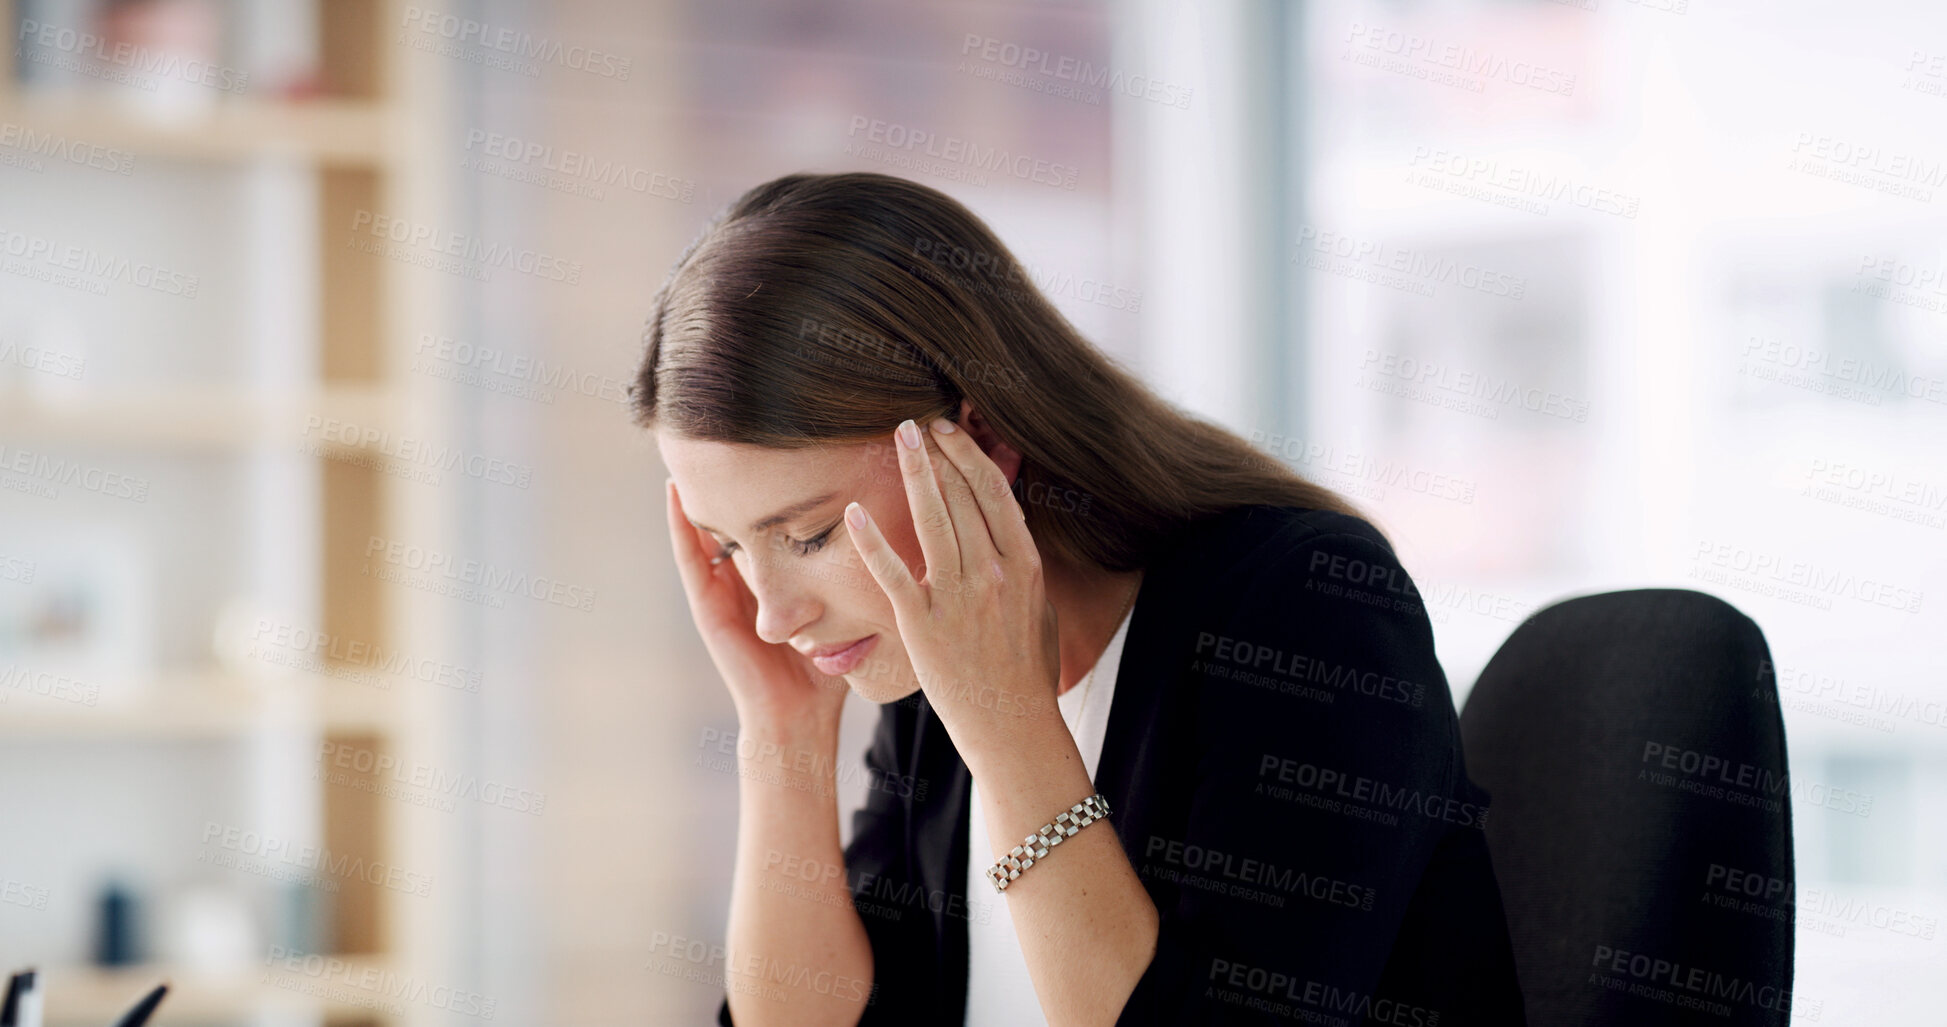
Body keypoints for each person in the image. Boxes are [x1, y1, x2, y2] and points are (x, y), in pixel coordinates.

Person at [634, 171, 1526, 1026]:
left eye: (810, 534)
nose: (771, 615)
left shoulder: (1308, 610)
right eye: (729, 547)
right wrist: (782, 733)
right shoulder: (927, 655)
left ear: (978, 440)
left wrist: (1010, 727)